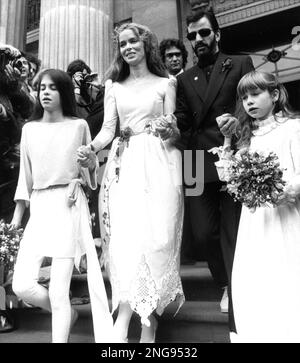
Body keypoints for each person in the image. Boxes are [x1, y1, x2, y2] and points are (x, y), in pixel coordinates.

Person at [78, 22, 185, 343]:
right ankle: (125, 311)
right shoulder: (114, 86)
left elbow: (174, 129)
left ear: (145, 43)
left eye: (132, 41)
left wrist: (170, 129)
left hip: (160, 160)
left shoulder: (167, 83)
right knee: (126, 237)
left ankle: (149, 317)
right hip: (124, 164)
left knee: (157, 235)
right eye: (122, 44)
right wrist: (91, 148)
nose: (127, 47)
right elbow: (108, 130)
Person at [10, 69, 113, 343]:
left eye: (52, 87)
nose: (44, 92)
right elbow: (25, 177)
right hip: (40, 207)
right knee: (22, 285)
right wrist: (17, 219)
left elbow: (90, 174)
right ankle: (68, 314)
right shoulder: (29, 129)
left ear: (64, 92)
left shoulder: (78, 126)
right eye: (41, 87)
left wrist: (91, 163)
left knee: (58, 291)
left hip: (69, 205)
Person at [174, 9, 254, 326]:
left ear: (216, 34)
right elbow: (181, 120)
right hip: (194, 160)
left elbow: (252, 102)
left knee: (232, 229)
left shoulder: (240, 63)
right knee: (203, 233)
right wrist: (170, 128)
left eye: (204, 33)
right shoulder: (183, 79)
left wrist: (239, 121)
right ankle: (223, 281)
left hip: (230, 154)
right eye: (192, 36)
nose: (198, 40)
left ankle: (236, 290)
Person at [219, 71, 300, 342]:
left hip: (284, 214)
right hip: (254, 220)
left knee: (284, 271)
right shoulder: (248, 138)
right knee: (255, 276)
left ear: (275, 95)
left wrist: (285, 190)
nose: (249, 102)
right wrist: (228, 141)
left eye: (255, 94)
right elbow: (225, 175)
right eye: (244, 97)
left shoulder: (293, 127)